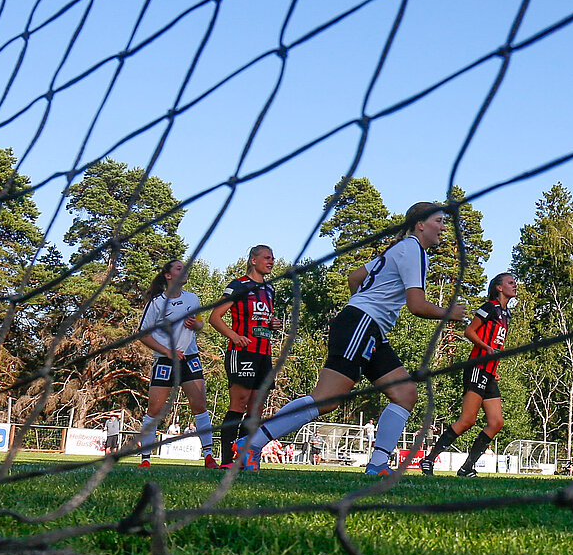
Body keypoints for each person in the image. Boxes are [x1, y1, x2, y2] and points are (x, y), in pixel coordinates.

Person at [232, 202, 470, 474]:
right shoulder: (413, 248)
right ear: (420, 224)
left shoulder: (400, 248)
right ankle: (252, 443)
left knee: (405, 394)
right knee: (326, 399)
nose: (443, 227)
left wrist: (363, 305)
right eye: (439, 221)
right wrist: (448, 312)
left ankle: (378, 464)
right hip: (361, 324)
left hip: (368, 328)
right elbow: (416, 305)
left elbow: (354, 277)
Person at [422, 271, 519, 477]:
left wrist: (494, 369)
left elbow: (496, 343)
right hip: (477, 368)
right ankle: (428, 460)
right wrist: (486, 348)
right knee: (467, 420)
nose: (515, 285)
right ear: (499, 287)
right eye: (510, 282)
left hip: (489, 372)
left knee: (496, 422)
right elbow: (469, 331)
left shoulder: (506, 314)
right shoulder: (489, 308)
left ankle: (467, 467)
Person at [133, 260, 219, 467]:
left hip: (190, 358)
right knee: (154, 409)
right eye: (179, 269)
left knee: (199, 405)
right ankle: (146, 458)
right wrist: (167, 351)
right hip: (165, 360)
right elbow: (143, 334)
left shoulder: (192, 298)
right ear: (169, 276)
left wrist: (197, 324)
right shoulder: (156, 302)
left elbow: (200, 323)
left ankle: (208, 456)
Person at [209, 245, 278, 466]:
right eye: (267, 257)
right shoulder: (238, 285)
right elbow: (215, 317)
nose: (271, 261)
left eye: (273, 258)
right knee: (239, 403)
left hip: (264, 353)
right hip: (242, 352)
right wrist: (234, 336)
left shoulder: (269, 289)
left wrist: (273, 324)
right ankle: (227, 459)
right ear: (253, 260)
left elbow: (263, 319)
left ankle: (247, 456)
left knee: (256, 407)